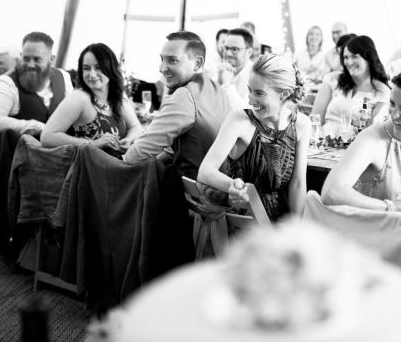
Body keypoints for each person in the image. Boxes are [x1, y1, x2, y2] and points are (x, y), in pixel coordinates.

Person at [197, 54, 311, 220]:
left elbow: (298, 184)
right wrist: (232, 186)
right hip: (243, 223)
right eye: (250, 90)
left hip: (280, 224)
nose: (250, 100)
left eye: (259, 93)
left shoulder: (301, 124)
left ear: (284, 94)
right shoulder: (239, 119)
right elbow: (205, 171)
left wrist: (296, 229)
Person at [321, 68, 401, 212]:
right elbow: (331, 192)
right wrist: (392, 207)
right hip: (368, 228)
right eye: (392, 103)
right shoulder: (372, 138)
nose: (394, 115)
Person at [124, 31, 231, 179]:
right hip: (221, 186)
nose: (161, 68)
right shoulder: (217, 88)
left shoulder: (185, 95)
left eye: (172, 60)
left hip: (196, 195)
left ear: (197, 63)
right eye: (162, 59)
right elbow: (174, 147)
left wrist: (118, 165)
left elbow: (139, 152)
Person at [41, 43, 142, 154]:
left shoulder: (118, 95)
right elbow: (47, 136)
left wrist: (129, 139)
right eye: (86, 68)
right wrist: (93, 143)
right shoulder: (79, 98)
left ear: (111, 68)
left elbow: (135, 126)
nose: (92, 74)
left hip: (117, 166)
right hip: (88, 169)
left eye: (99, 68)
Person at [0, 31, 74, 137]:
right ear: (21, 56)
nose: (30, 65)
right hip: (20, 151)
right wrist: (35, 126)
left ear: (52, 59)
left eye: (37, 59)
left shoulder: (63, 76)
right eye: (26, 59)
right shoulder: (5, 83)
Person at [312, 35, 390, 135]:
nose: (349, 62)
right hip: (322, 143)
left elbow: (375, 132)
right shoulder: (332, 79)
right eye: (345, 57)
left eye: (354, 57)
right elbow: (315, 120)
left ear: (369, 58)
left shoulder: (381, 91)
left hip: (356, 145)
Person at [216, 28, 255, 109]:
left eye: (235, 49)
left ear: (249, 52)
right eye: (226, 48)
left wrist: (227, 85)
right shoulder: (222, 70)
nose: (228, 53)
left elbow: (246, 114)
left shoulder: (256, 76)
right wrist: (218, 83)